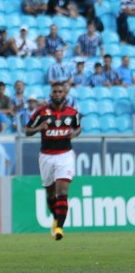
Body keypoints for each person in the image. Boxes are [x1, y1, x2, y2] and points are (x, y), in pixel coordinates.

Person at [25, 82, 81, 241]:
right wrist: (38, 128)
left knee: (62, 192)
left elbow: (78, 127)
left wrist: (74, 134)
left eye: (59, 92)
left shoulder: (72, 113)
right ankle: (56, 218)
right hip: (46, 156)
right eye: (54, 91)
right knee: (50, 195)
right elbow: (27, 131)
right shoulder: (41, 112)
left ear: (65, 95)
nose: (57, 94)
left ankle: (59, 228)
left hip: (65, 155)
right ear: (50, 94)